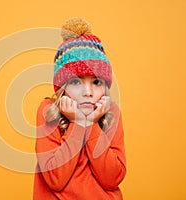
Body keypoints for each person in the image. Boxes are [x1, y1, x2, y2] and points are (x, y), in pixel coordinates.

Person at [33, 17, 126, 200]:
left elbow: (112, 179)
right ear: (63, 87)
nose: (88, 92)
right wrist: (77, 123)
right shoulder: (48, 111)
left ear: (105, 87)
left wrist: (91, 124)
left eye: (96, 82)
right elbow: (55, 179)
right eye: (76, 81)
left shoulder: (111, 113)